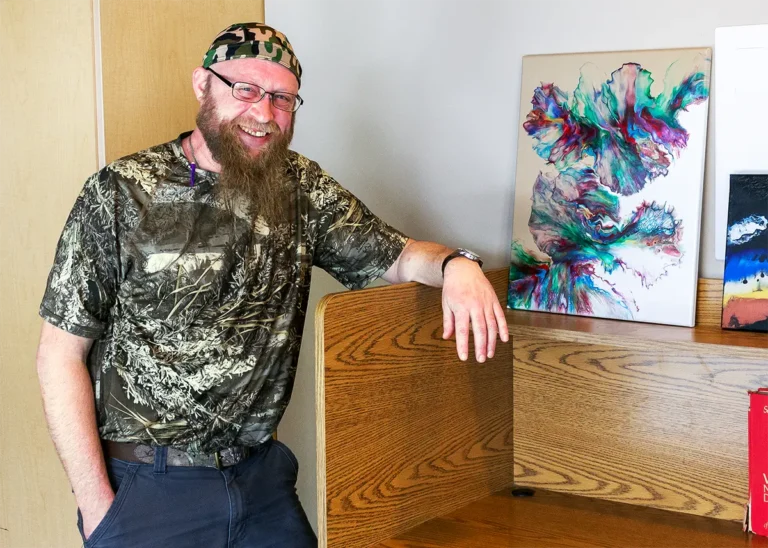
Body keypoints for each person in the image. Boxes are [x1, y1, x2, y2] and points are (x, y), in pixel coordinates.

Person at [35, 22, 508, 547]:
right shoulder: (121, 193)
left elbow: (396, 256)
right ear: (202, 84)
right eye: (245, 89)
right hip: (148, 487)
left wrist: (456, 266)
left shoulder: (300, 187)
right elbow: (60, 355)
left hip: (261, 482)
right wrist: (99, 509)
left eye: (282, 99)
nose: (263, 114)